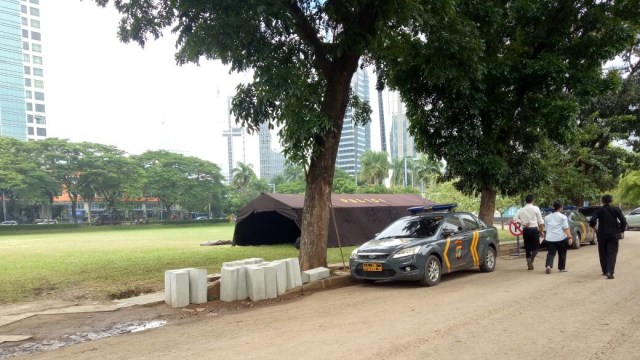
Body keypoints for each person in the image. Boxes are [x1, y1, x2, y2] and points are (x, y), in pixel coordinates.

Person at [589, 194, 626, 279]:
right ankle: (610, 272)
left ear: (602, 201)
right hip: (613, 234)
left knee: (602, 252)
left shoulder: (599, 210)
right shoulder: (616, 209)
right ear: (611, 201)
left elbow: (592, 220)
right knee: (612, 253)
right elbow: (623, 221)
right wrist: (621, 229)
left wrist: (594, 227)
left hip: (602, 234)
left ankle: (605, 271)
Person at [513, 194, 545, 270]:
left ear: (525, 201)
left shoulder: (521, 210)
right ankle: (531, 258)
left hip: (525, 230)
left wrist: (523, 223)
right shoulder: (536, 208)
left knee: (527, 247)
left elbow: (514, 219)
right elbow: (540, 221)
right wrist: (542, 231)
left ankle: (528, 260)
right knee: (536, 247)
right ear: (533, 201)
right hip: (534, 229)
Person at [543, 201, 573, 274]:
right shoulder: (563, 217)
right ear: (560, 208)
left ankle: (548, 265)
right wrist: (570, 237)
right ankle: (561, 268)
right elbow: (565, 228)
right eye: (562, 207)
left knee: (550, 253)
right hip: (561, 238)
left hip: (550, 238)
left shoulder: (547, 217)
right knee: (562, 253)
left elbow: (546, 228)